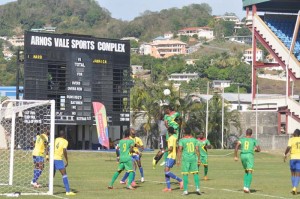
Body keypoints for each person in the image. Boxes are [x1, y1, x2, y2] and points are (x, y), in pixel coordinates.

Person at [234, 128, 261, 193]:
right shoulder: (253, 140)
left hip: (242, 155)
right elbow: (259, 149)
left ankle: (245, 187)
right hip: (249, 155)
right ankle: (247, 187)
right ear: (251, 134)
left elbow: (237, 146)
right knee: (250, 171)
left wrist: (235, 156)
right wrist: (255, 150)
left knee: (246, 171)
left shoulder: (242, 139)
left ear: (246, 133)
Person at [177, 126, 201, 195]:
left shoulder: (182, 140)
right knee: (195, 173)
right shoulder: (195, 140)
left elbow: (180, 150)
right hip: (193, 158)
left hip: (185, 159)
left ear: (184, 132)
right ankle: (197, 188)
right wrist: (199, 159)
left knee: (185, 174)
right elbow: (197, 150)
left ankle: (185, 190)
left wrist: (178, 160)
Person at [54, 130, 76, 196]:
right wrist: (66, 160)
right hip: (58, 159)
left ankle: (50, 190)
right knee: (64, 174)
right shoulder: (65, 141)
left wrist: (47, 156)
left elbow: (49, 147)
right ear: (64, 135)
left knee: (52, 175)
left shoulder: (55, 139)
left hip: (52, 158)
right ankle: (68, 191)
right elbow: (64, 150)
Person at [162, 127, 183, 192]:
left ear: (168, 132)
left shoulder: (171, 138)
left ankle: (180, 180)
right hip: (172, 156)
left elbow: (170, 148)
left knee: (167, 171)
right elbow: (176, 148)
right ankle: (169, 188)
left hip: (170, 156)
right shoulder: (175, 137)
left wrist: (163, 151)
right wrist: (175, 157)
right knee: (166, 170)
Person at [284, 129, 300, 195]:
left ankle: (294, 188)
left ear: (294, 133)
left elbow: (288, 147)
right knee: (298, 174)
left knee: (293, 173)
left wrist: (285, 154)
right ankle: (294, 188)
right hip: (299, 158)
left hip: (293, 158)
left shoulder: (291, 139)